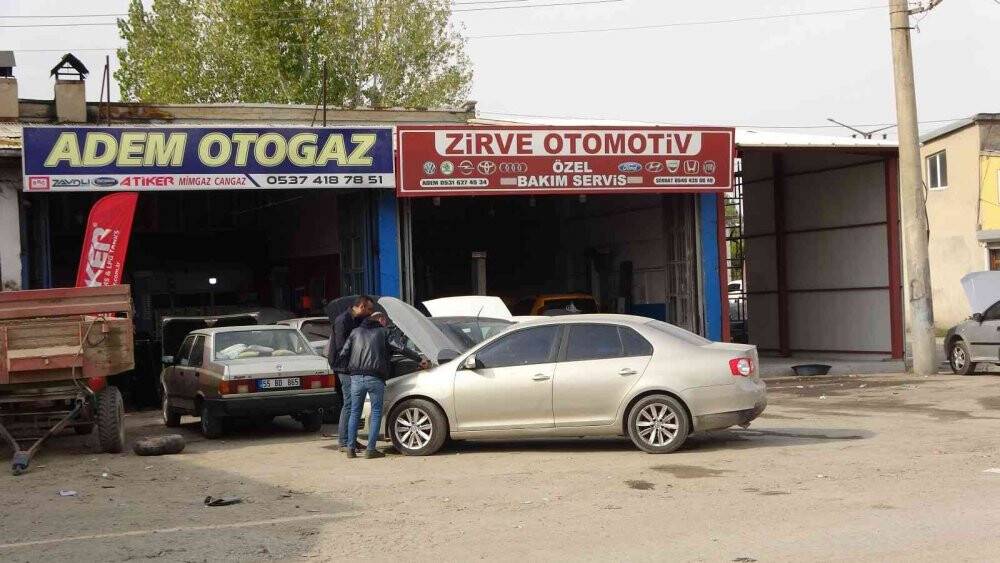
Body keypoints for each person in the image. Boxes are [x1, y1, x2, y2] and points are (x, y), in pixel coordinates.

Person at [336, 312, 429, 459]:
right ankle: (371, 450)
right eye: (384, 320)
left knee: (355, 411)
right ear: (379, 320)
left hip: (356, 378)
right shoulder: (384, 332)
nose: (386, 322)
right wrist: (419, 359)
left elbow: (343, 353)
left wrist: (350, 369)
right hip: (375, 377)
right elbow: (401, 347)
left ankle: (350, 448)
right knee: (376, 412)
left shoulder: (355, 332)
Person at [329, 295, 374, 452]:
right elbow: (342, 347)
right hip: (343, 367)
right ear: (361, 306)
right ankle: (344, 442)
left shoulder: (357, 320)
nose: (370, 312)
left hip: (353, 367)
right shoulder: (343, 320)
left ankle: (351, 440)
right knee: (349, 403)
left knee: (356, 404)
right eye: (369, 309)